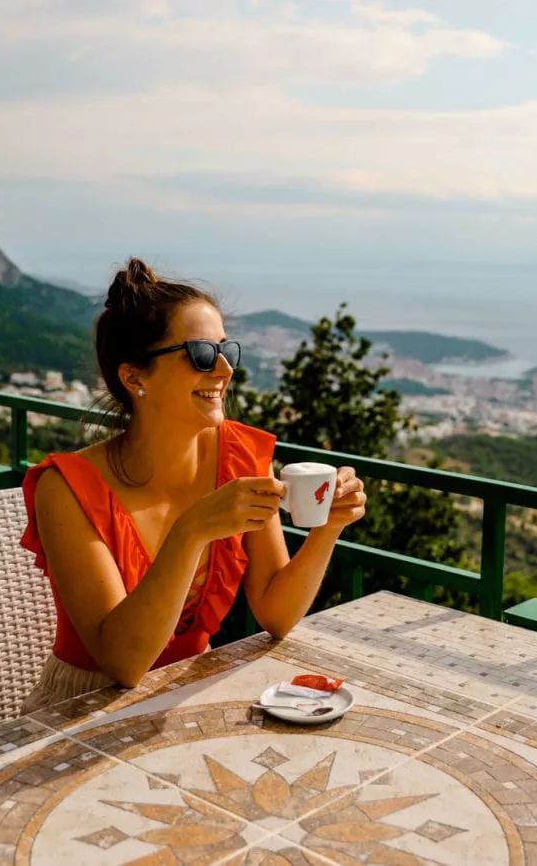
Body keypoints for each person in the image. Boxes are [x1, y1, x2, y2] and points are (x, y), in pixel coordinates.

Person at [19, 259, 366, 712]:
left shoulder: (239, 457)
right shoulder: (66, 488)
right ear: (134, 377)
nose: (224, 370)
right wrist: (191, 531)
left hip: (186, 697)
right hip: (79, 710)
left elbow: (276, 614)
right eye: (202, 353)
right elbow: (123, 663)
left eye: (229, 351)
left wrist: (328, 526)